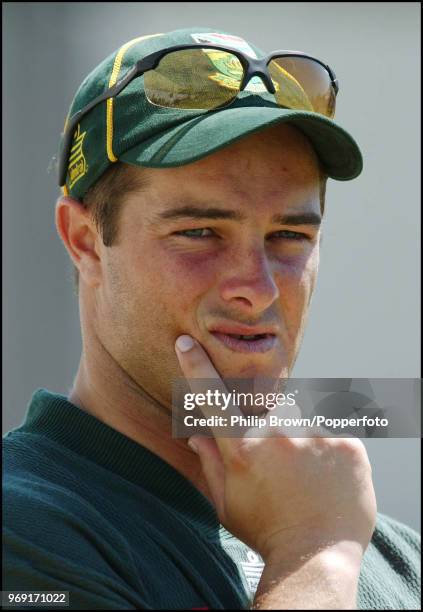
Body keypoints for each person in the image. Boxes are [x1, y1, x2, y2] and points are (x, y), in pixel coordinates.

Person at [3, 27, 420, 610]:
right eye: (199, 233)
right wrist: (313, 554)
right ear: (85, 241)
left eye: (289, 236)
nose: (257, 286)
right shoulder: (25, 530)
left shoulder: (398, 559)